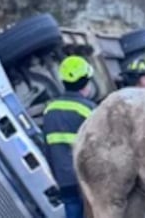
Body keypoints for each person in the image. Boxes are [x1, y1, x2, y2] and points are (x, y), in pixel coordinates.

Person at [42, 55, 97, 218]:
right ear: (86, 82)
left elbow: (48, 150)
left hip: (65, 181)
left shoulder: (49, 110)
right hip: (88, 182)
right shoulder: (89, 110)